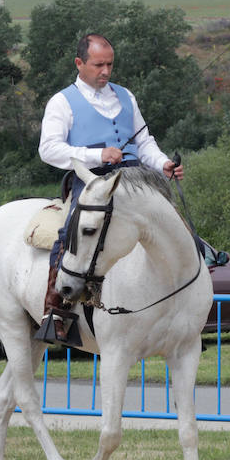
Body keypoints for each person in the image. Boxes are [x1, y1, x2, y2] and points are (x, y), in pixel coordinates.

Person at [37, 32, 184, 343]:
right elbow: (48, 149)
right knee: (71, 232)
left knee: (172, 222)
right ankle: (55, 311)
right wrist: (96, 155)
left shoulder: (126, 96)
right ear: (79, 63)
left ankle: (186, 292)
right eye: (98, 65)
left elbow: (144, 143)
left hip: (135, 179)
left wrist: (162, 164)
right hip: (92, 180)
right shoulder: (62, 102)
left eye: (110, 65)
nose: (105, 71)